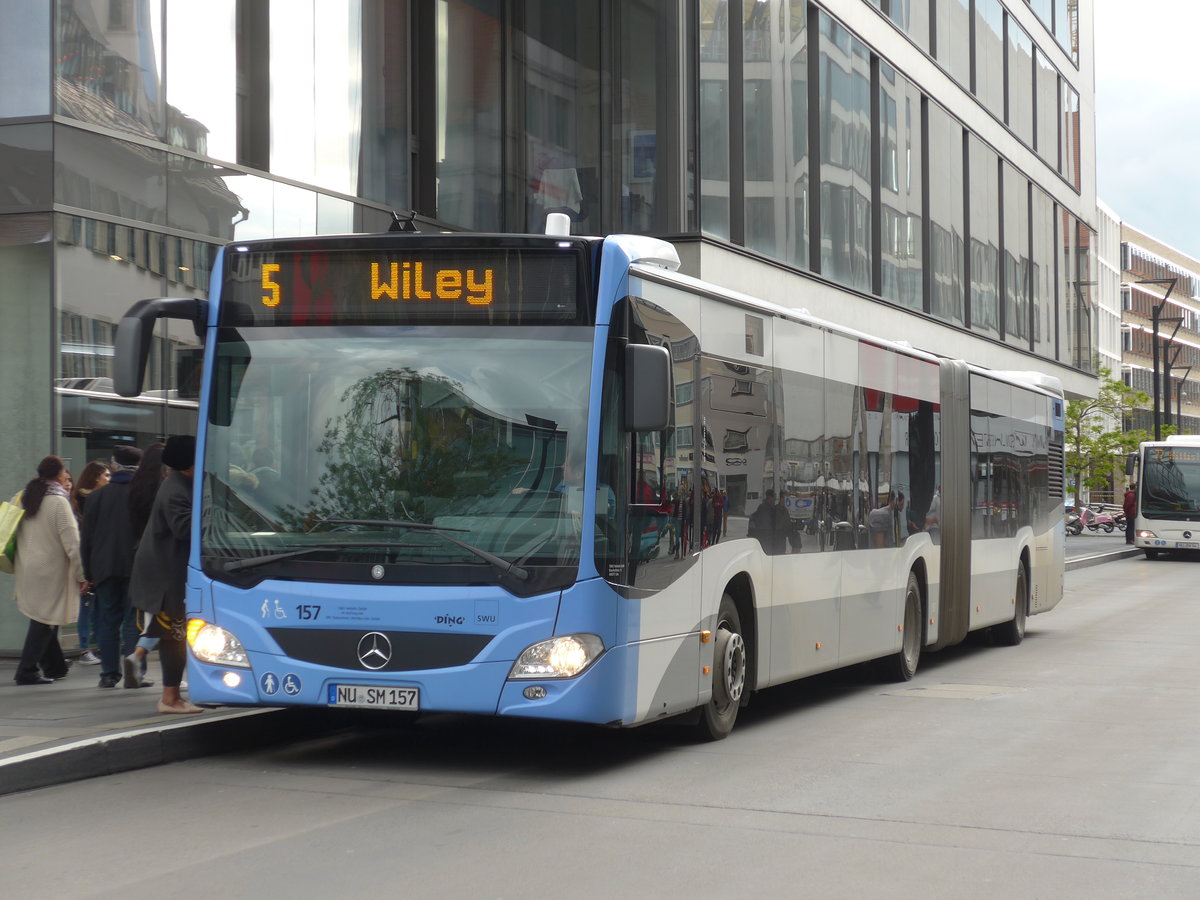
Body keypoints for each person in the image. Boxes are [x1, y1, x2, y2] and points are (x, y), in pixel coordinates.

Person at [129, 435, 201, 714]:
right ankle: (170, 699)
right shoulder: (176, 490)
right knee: (175, 637)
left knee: (172, 635)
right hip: (165, 577)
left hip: (166, 574)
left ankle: (171, 695)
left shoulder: (179, 484)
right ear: (187, 465)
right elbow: (184, 529)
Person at [13, 456, 86, 685]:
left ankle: (55, 666)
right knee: (44, 621)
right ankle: (26, 671)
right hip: (50, 569)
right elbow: (73, 543)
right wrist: (81, 574)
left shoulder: (25, 496)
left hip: (27, 565)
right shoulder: (58, 501)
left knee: (45, 616)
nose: (67, 476)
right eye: (65, 472)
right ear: (58, 474)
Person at [81, 444, 146, 689]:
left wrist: (88, 571)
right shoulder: (142, 495)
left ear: (113, 466)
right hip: (136, 567)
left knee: (107, 620)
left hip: (104, 567)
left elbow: (86, 538)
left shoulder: (96, 497)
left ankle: (109, 674)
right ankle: (135, 671)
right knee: (134, 620)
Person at [123, 442, 166, 687]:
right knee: (175, 615)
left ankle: (137, 655)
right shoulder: (166, 489)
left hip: (142, 554)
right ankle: (142, 657)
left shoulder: (135, 488)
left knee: (154, 615)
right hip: (165, 556)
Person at [70, 460, 111, 665]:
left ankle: (94, 646)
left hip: (92, 559)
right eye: (106, 475)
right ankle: (85, 648)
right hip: (88, 560)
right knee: (87, 607)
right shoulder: (85, 500)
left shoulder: (88, 499)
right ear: (95, 477)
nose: (108, 479)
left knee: (94, 607)